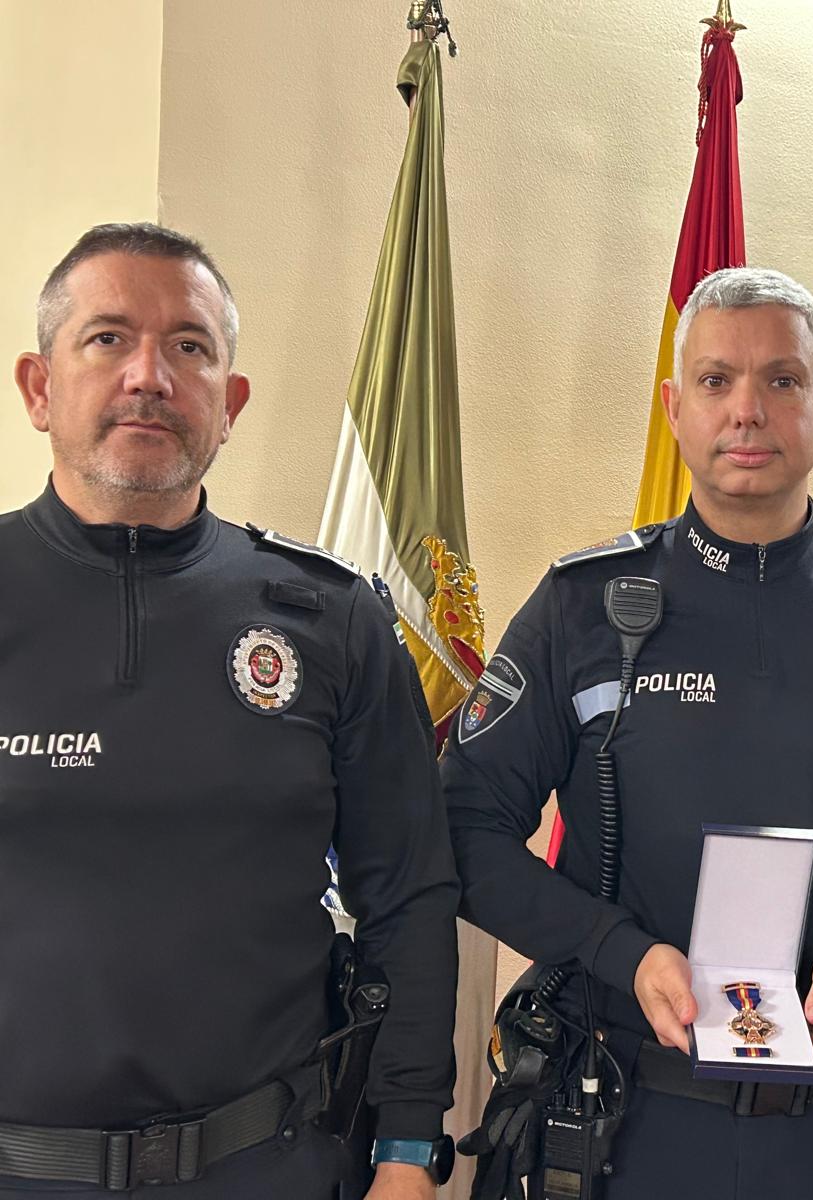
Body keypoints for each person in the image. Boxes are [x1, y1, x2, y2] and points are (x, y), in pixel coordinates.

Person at [442, 267, 813, 1200]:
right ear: (674, 407)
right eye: (715, 380)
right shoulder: (584, 610)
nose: (748, 409)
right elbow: (463, 830)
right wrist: (621, 949)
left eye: (782, 380)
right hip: (620, 1119)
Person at [1, 224, 459, 1199]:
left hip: (267, 1166)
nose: (149, 376)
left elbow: (408, 898)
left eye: (190, 347)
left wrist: (410, 1149)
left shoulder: (329, 619)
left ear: (229, 403)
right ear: (39, 388)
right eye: (108, 339)